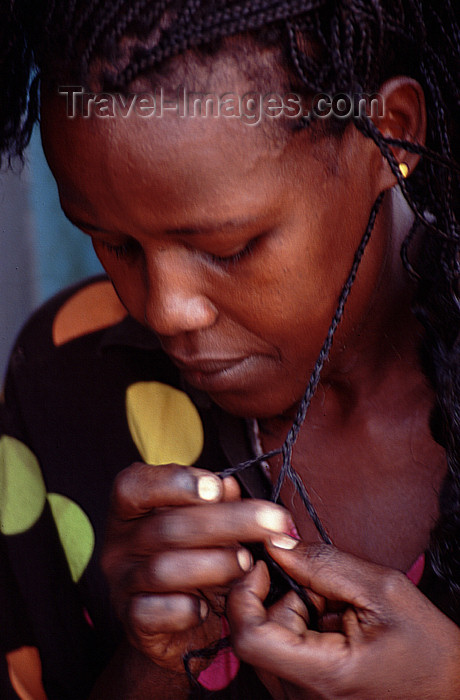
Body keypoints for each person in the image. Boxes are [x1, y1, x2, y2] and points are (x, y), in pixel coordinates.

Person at [0, 0, 459, 698]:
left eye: (228, 248)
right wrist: (147, 666)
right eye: (113, 244)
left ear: (390, 138)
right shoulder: (66, 384)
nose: (164, 309)